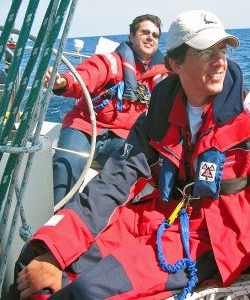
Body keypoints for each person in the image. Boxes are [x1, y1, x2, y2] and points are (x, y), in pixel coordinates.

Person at [16, 10, 250, 300]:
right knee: (34, 258)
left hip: (218, 235)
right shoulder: (158, 115)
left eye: (223, 49)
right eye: (207, 51)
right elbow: (115, 181)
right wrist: (54, 252)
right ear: (174, 64)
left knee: (87, 291)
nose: (221, 61)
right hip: (160, 215)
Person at [46, 14, 169, 205]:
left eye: (155, 35)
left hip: (122, 137)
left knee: (134, 169)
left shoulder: (162, 75)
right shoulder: (109, 62)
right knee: (67, 164)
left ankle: (96, 216)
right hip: (86, 127)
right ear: (131, 36)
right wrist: (63, 81)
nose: (150, 37)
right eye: (145, 32)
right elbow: (85, 77)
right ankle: (59, 217)